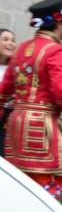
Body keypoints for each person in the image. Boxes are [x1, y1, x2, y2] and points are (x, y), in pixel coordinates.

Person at [0, 0, 62, 199]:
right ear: (59, 24)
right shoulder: (57, 51)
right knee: (44, 187)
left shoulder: (20, 50)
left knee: (19, 182)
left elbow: (4, 90)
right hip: (41, 126)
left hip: (16, 124)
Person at [0, 28, 16, 156]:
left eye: (13, 40)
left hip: (9, 122)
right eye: (5, 39)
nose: (11, 43)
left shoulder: (17, 69)